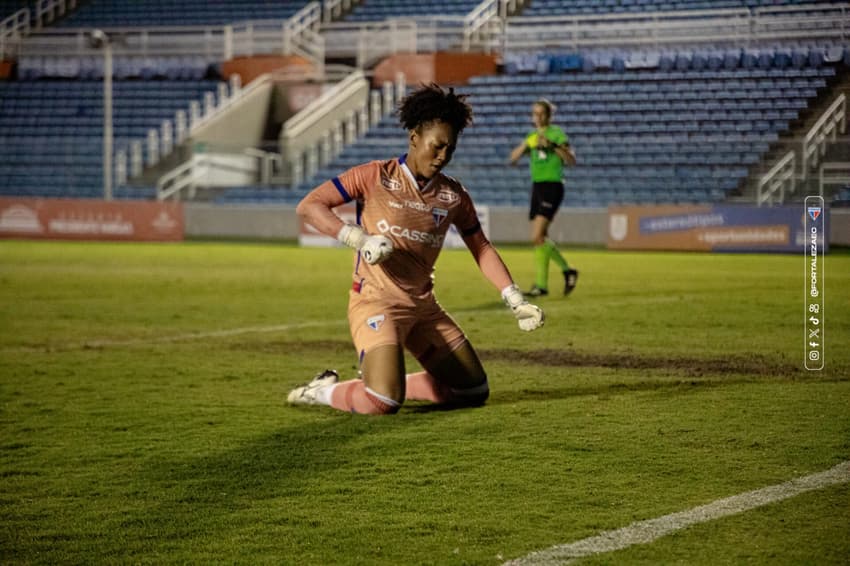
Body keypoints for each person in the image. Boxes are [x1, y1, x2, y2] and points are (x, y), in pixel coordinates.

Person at [288, 83, 544, 415]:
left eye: (450, 149)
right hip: (376, 301)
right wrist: (358, 239)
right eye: (436, 147)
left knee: (472, 390)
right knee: (383, 402)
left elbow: (480, 247)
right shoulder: (374, 176)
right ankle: (321, 392)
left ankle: (389, 378)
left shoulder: (453, 196)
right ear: (414, 138)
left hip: (424, 308)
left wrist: (514, 298)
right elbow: (310, 206)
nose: (443, 157)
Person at [509, 98, 578, 297]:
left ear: (549, 115)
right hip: (537, 188)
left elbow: (571, 160)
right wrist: (526, 145)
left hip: (553, 186)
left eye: (541, 113)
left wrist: (553, 145)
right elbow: (512, 159)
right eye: (535, 113)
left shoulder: (557, 133)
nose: (537, 117)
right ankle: (545, 284)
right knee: (540, 239)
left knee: (537, 236)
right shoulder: (531, 136)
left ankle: (563, 271)